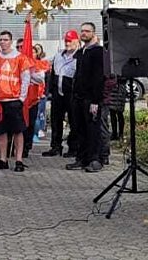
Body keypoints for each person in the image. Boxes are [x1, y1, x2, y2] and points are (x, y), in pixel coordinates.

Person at [0, 31, 33, 172]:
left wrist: (21, 98)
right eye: (0, 39)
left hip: (13, 100)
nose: (2, 42)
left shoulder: (20, 58)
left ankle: (18, 160)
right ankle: (2, 160)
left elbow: (26, 78)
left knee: (18, 131)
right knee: (1, 131)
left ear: (11, 41)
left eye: (5, 39)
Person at [68, 22, 107, 173]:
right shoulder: (82, 51)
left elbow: (98, 78)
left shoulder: (98, 52)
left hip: (91, 99)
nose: (84, 33)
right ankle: (82, 158)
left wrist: (96, 101)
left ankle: (95, 159)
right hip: (78, 97)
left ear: (93, 33)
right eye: (82, 31)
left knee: (93, 130)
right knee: (80, 129)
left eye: (87, 31)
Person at [44, 31, 79, 158]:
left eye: (70, 41)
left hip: (72, 94)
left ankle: (74, 148)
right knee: (56, 121)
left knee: (74, 122)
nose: (67, 43)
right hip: (58, 94)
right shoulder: (58, 55)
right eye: (66, 41)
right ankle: (55, 146)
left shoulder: (79, 56)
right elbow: (53, 74)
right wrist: (50, 91)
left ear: (76, 41)